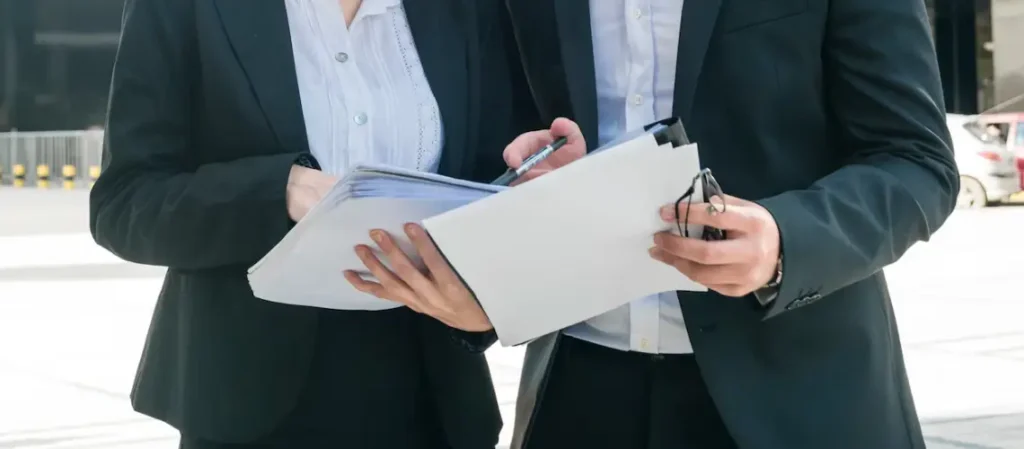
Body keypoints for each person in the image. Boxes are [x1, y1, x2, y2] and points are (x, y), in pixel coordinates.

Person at [369, 0, 960, 448]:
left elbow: (917, 162)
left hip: (799, 392)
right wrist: (533, 171)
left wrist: (786, 238)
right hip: (577, 389)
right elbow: (501, 146)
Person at [88, 0, 555, 447]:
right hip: (247, 403)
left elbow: (491, 182)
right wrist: (279, 189)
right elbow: (125, 203)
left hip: (436, 400)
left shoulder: (464, 8)